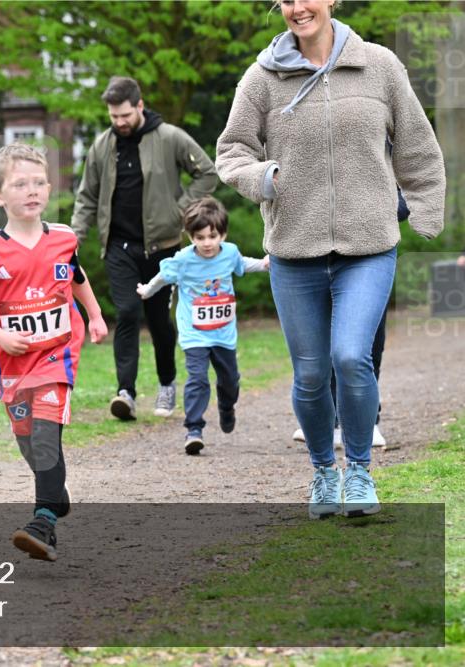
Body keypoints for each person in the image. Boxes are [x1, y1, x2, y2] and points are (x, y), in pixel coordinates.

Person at [216, 0, 445, 519]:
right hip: (294, 252)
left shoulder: (379, 65)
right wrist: (262, 179)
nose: (299, 8)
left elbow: (417, 147)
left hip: (369, 247)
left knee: (350, 357)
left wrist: (426, 210)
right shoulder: (261, 78)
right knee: (312, 374)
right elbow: (231, 150)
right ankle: (324, 473)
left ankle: (359, 472)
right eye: (288, 0)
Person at [0, 144, 108, 562]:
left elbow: (76, 277)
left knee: (45, 434)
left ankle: (43, 523)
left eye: (39, 182)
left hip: (57, 354)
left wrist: (94, 315)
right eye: (20, 183)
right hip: (13, 362)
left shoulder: (63, 238)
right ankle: (54, 492)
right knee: (28, 440)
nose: (32, 190)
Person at [72, 76, 218, 422]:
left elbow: (207, 174)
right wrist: (74, 238)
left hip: (162, 247)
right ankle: (126, 392)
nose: (119, 122)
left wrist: (178, 211)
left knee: (158, 320)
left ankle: (167, 383)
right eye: (113, 116)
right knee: (125, 313)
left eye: (124, 115)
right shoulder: (102, 146)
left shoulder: (169, 137)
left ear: (139, 106)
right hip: (119, 246)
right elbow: (87, 197)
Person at [136, 197, 269, 455]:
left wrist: (264, 265)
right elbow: (164, 276)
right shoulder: (184, 260)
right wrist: (148, 290)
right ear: (190, 237)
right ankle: (193, 430)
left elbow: (242, 264)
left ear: (223, 234)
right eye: (199, 237)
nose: (207, 243)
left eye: (212, 236)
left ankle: (226, 406)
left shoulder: (229, 252)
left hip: (223, 333)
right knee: (197, 379)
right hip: (194, 333)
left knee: (230, 381)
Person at [292, 188, 409, 449]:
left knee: (362, 350)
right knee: (322, 348)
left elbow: (406, 200)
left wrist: (367, 208)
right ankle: (329, 420)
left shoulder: (380, 154)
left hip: (368, 261)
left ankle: (370, 421)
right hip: (315, 262)